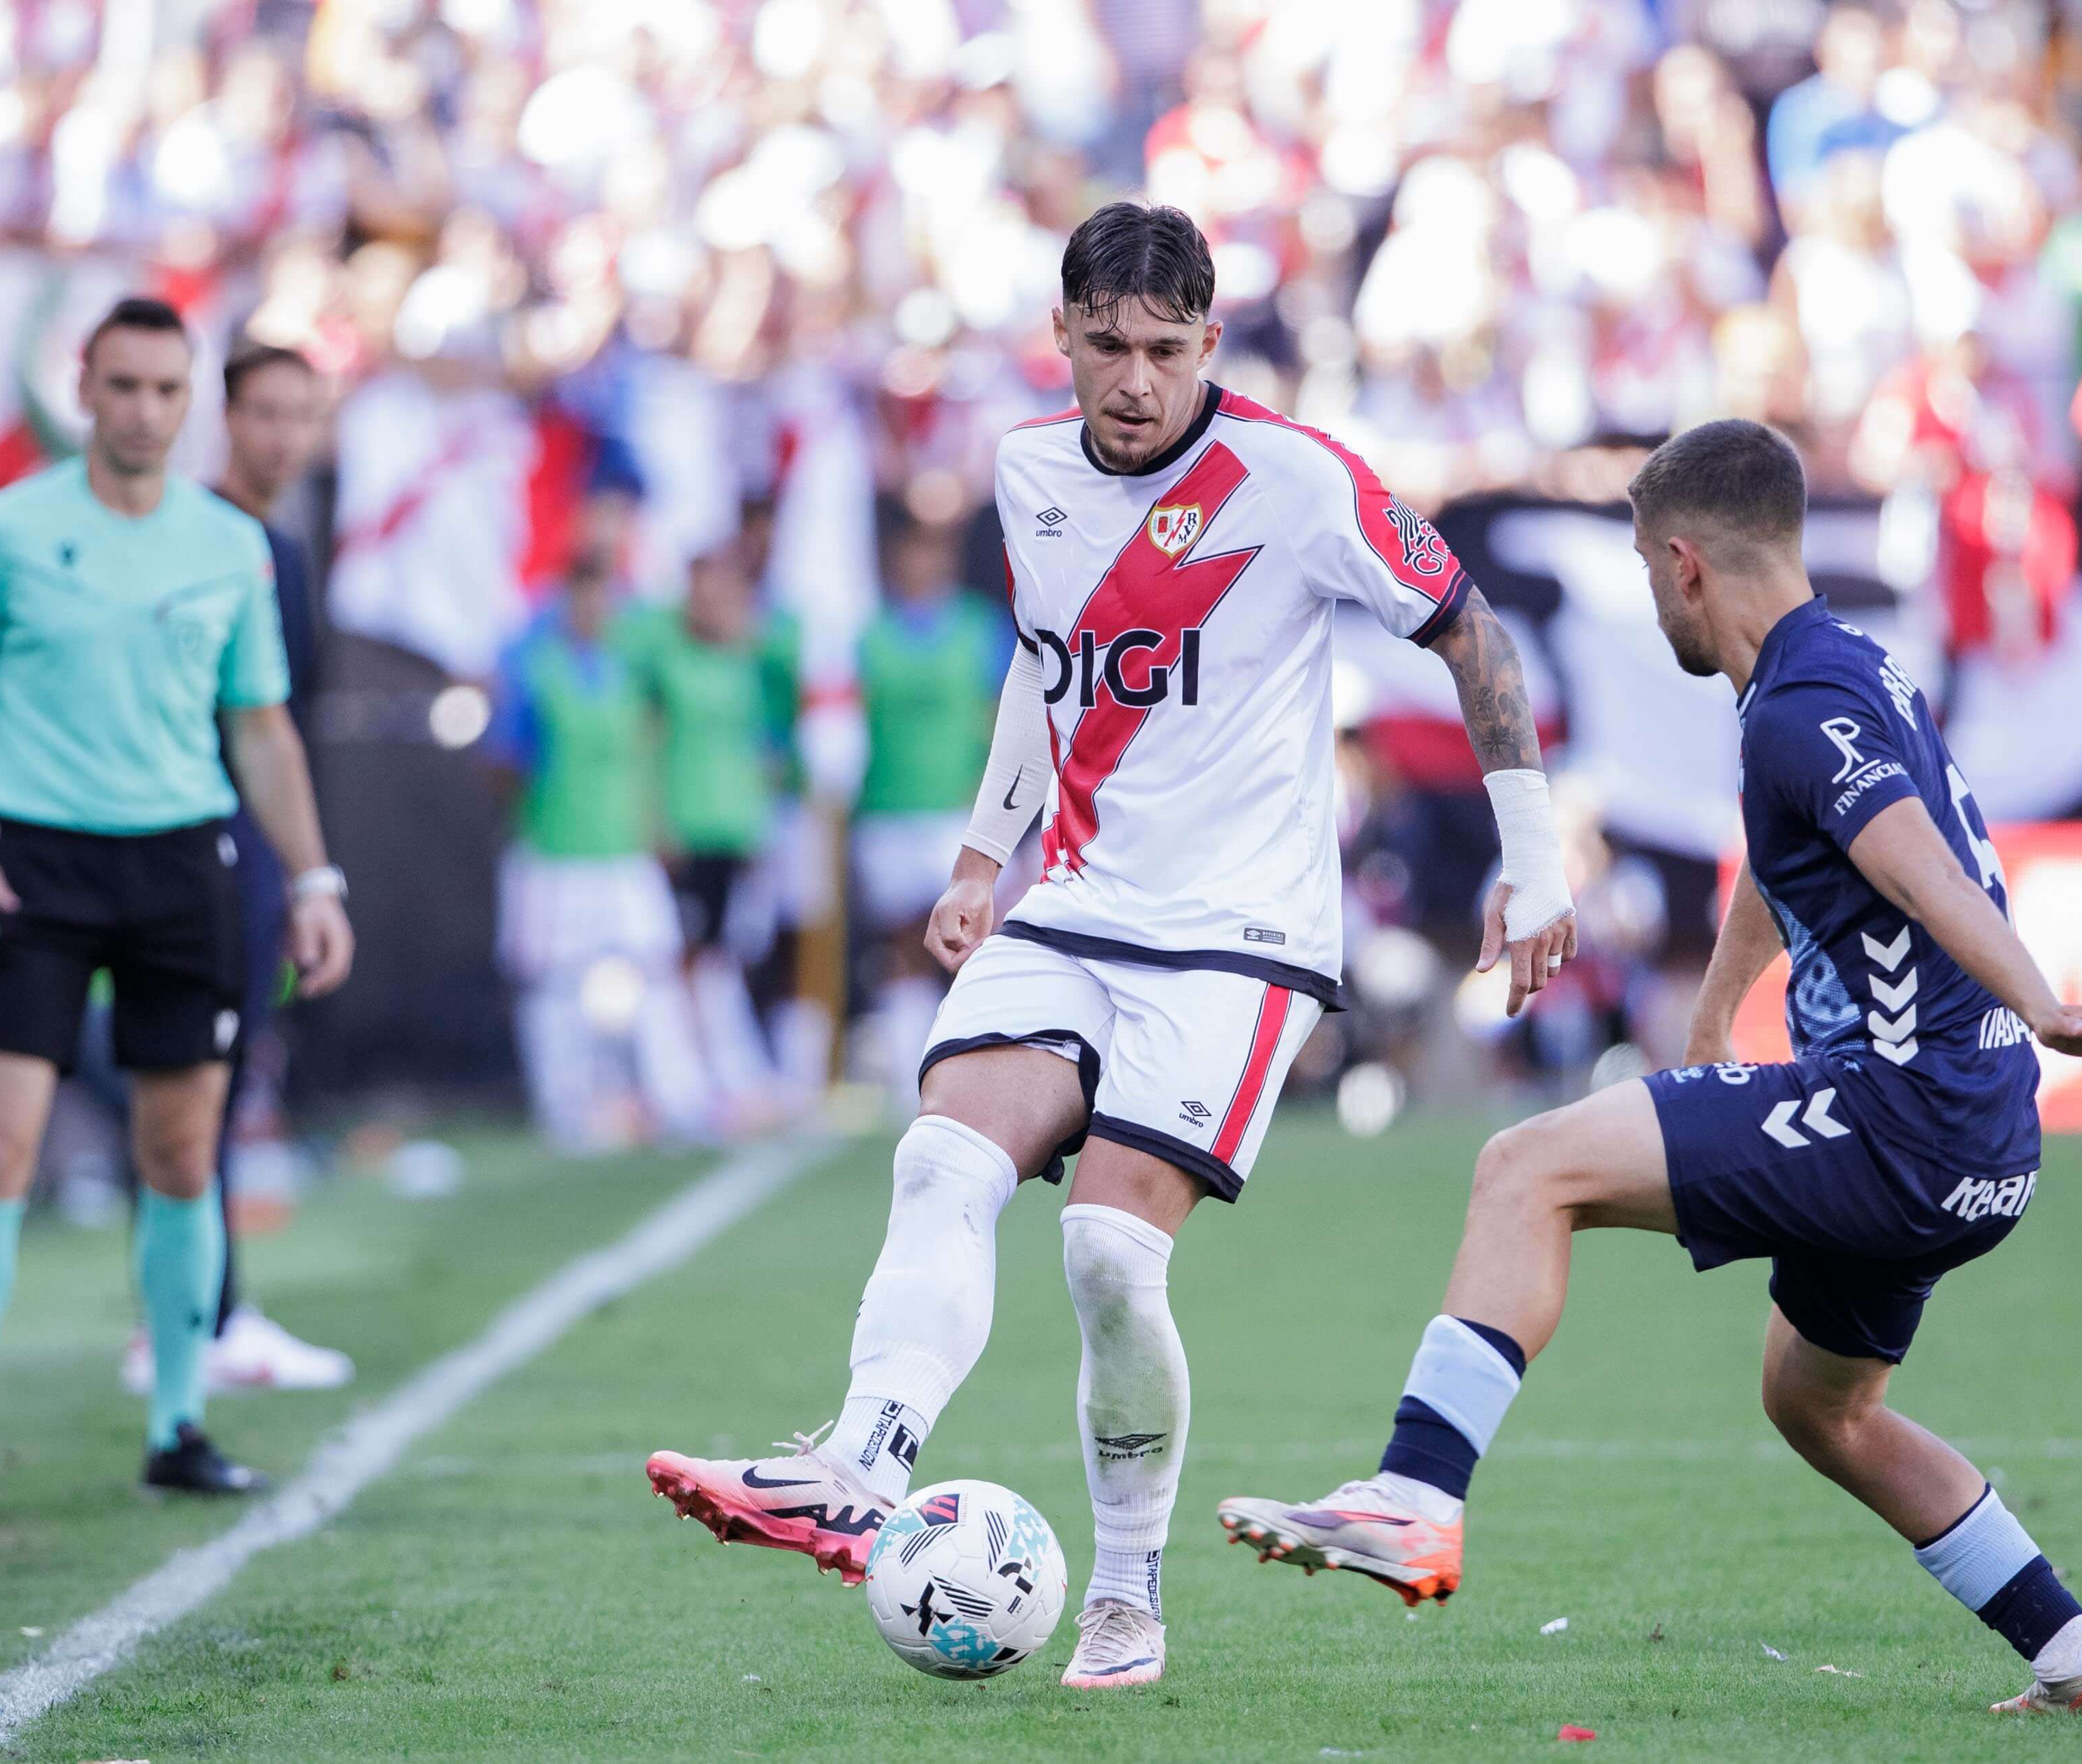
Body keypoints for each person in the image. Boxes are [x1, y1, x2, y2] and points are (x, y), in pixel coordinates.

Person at [647, 203, 1576, 1690]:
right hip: (1074, 904)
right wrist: (980, 854)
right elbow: (1044, 660)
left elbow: (1474, 636)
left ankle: (1127, 1595)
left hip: (1242, 941)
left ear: (1210, 343)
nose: (1134, 380)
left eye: (1164, 350)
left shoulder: (1296, 480)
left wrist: (1533, 860)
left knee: (1103, 1256)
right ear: (1062, 338)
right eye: (1106, 347)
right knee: (942, 1159)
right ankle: (860, 1465)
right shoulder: (1025, 473)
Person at [1216, 420, 2082, 1718]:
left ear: (1683, 564)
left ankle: (1414, 1498)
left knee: (1524, 1167)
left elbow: (1910, 863)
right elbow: (1794, 860)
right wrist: (1718, 1017)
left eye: (1642, 569)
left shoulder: (1797, 708)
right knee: (1817, 1405)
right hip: (1979, 1140)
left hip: (1904, 1117)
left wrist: (2044, 1002)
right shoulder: (1839, 671)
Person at [0, 297, 355, 1525]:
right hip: (37, 870)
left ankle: (178, 1424)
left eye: (167, 389)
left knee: (180, 1154)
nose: (146, 410)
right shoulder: (9, 529)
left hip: (183, 872)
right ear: (85, 392)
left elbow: (260, 728)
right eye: (125, 386)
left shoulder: (228, 546)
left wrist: (313, 881)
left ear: (185, 399)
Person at [120, 340, 354, 1396]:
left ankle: (203, 1309)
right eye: (265, 412)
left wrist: (306, 872)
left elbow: (288, 728)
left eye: (302, 414)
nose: (283, 435)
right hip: (184, 841)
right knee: (187, 1088)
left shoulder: (288, 548)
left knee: (218, 1083)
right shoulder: (193, 535)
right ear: (227, 415)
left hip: (254, 851)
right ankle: (188, 1320)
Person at [485, 518, 709, 1149]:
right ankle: (566, 1108)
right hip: (555, 854)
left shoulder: (627, 670)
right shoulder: (535, 672)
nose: (595, 606)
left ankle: (680, 1099)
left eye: (604, 592)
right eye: (584, 593)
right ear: (566, 597)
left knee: (657, 971)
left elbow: (645, 750)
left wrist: (653, 822)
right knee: (555, 986)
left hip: (623, 849)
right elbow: (505, 762)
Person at [625, 536, 801, 1135]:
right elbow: (646, 735)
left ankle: (726, 1076)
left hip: (738, 826)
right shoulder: (665, 654)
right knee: (683, 956)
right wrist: (655, 821)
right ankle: (687, 1082)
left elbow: (796, 673)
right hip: (685, 825)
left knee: (725, 955)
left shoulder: (753, 659)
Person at [850, 509, 1009, 1115]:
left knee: (976, 945)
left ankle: (975, 1072)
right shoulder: (870, 636)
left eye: (932, 552)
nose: (922, 565)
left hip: (957, 814)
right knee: (903, 947)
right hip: (889, 809)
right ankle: (905, 1079)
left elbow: (1003, 720)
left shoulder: (980, 629)